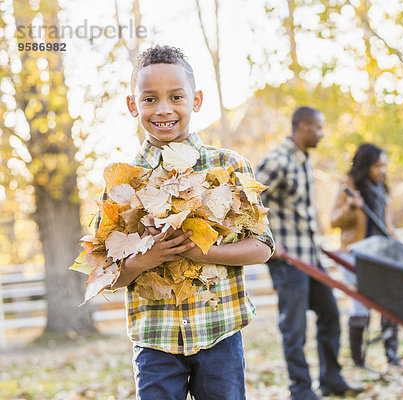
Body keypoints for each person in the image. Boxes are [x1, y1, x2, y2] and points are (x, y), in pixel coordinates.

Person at [106, 45, 274, 399]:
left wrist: (205, 252)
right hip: (155, 340)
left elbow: (262, 247)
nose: (164, 109)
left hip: (220, 334)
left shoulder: (227, 167)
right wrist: (147, 259)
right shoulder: (123, 181)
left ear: (196, 100)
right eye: (150, 99)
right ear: (132, 105)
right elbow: (105, 275)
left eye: (176, 97)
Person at [256, 107, 363, 400]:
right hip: (288, 262)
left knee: (330, 316)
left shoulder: (303, 160)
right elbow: (247, 199)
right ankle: (300, 391)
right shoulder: (279, 160)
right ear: (302, 127)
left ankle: (331, 380)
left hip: (309, 257)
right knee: (295, 329)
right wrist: (269, 243)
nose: (322, 132)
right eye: (318, 127)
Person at [330, 143, 400, 367]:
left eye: (384, 166)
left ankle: (392, 356)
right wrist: (351, 206)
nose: (382, 171)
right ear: (366, 165)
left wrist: (398, 243)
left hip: (380, 254)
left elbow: (386, 225)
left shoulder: (382, 190)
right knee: (360, 305)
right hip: (355, 254)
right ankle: (359, 361)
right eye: (378, 166)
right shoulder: (348, 186)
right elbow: (333, 220)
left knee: (390, 303)